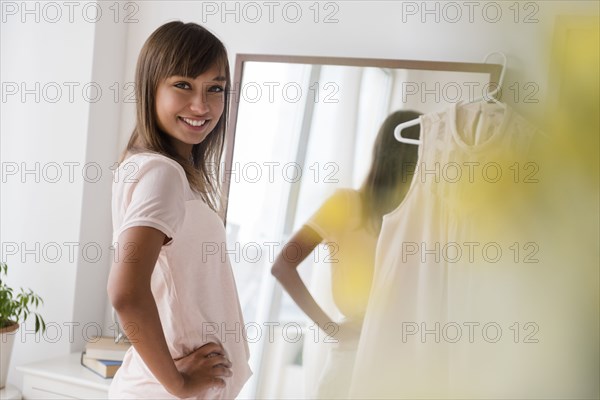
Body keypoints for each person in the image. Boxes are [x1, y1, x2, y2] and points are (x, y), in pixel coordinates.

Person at [107, 21, 251, 399]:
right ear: (150, 86)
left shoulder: (161, 170)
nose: (201, 106)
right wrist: (178, 383)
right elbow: (125, 292)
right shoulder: (162, 174)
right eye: (183, 85)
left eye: (215, 88)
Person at [271, 110, 421, 399]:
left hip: (400, 356)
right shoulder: (346, 205)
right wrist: (331, 328)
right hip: (356, 354)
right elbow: (282, 267)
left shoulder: (417, 217)